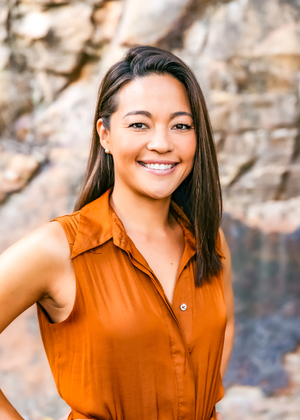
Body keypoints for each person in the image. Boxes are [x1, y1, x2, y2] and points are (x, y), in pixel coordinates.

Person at [0, 45, 234, 420]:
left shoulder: (209, 240)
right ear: (105, 135)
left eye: (181, 125)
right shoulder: (60, 249)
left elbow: (221, 332)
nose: (162, 143)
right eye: (139, 124)